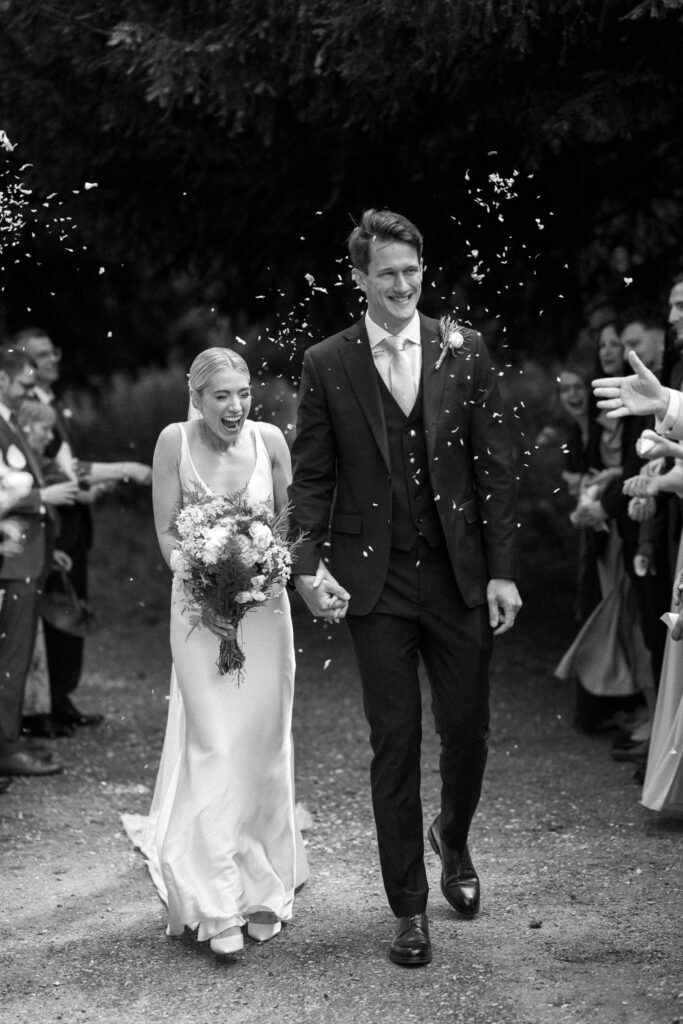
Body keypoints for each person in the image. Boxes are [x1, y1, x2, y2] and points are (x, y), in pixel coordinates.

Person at [288, 208, 521, 967]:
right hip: (374, 582)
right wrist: (303, 566)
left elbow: (494, 471)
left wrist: (502, 571)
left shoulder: (466, 350)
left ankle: (451, 840)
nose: (401, 284)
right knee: (394, 742)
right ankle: (409, 908)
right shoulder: (327, 361)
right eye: (386, 272)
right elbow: (313, 477)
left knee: (468, 733)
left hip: (456, 578)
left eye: (411, 271)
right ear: (358, 277)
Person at [133, 347, 308, 958]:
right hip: (198, 615)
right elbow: (164, 531)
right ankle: (215, 901)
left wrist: (275, 572)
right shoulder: (172, 443)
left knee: (263, 748)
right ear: (197, 396)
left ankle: (263, 886)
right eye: (221, 396)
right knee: (211, 744)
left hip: (266, 618)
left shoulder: (270, 442)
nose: (235, 407)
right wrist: (201, 568)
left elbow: (291, 532)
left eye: (243, 392)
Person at [13, 327, 151, 736]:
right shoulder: (25, 411)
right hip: (45, 520)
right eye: (42, 355)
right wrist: (126, 470)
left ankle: (59, 697)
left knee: (70, 603)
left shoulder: (50, 403)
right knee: (55, 609)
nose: (53, 359)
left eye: (54, 350)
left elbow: (66, 468)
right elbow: (61, 470)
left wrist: (85, 489)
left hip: (69, 519)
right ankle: (43, 705)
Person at [0, 348, 79, 777]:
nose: (32, 392)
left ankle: (8, 739)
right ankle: (5, 748)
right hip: (11, 561)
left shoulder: (9, 423)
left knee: (17, 655)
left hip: (27, 557)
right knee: (10, 658)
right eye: (24, 385)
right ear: (1, 380)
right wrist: (41, 498)